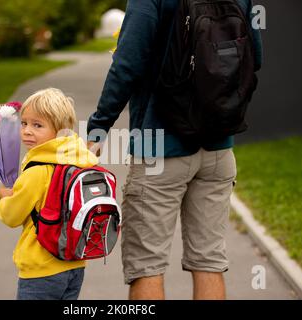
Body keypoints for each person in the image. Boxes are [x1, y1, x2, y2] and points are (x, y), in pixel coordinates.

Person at [87, 0, 263, 300]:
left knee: (147, 266)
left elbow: (127, 65)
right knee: (209, 261)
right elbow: (254, 57)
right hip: (219, 148)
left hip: (159, 148)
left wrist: (97, 129)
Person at [0, 88, 98, 300]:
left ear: (60, 131)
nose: (26, 130)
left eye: (37, 125)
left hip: (41, 270)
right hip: (75, 264)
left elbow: (11, 216)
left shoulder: (36, 171)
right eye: (24, 123)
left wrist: (4, 198)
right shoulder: (80, 162)